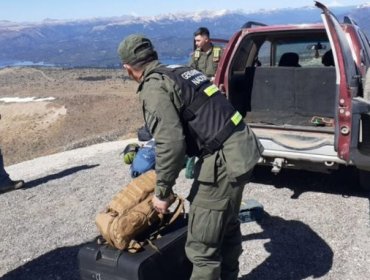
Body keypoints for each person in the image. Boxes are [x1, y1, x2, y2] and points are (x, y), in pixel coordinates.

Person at [118, 34, 263, 280]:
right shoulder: (180, 71)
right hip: (242, 146)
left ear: (128, 68)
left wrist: (162, 193)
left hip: (224, 159)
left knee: (201, 246)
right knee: (225, 224)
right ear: (152, 55)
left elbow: (170, 143)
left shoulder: (154, 87)